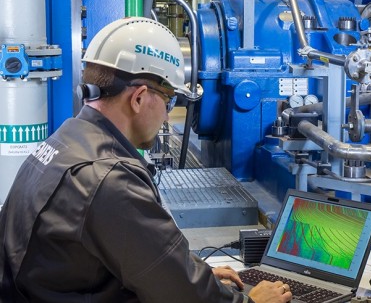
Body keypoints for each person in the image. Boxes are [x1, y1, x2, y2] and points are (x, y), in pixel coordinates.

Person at [0, 17, 292, 303]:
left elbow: (146, 255)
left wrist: (194, 272)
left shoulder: (64, 141)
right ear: (138, 98)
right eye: (168, 101)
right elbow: (184, 295)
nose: (167, 116)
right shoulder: (110, 179)